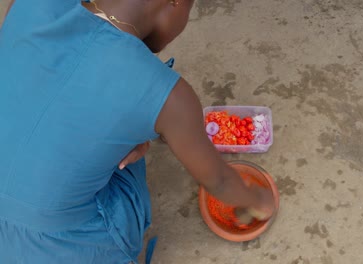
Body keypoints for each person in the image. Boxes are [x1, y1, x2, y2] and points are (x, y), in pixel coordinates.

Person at [0, 0, 275, 263]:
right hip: (58, 250)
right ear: (176, 2)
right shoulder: (168, 95)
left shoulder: (32, 3)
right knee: (130, 160)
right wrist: (258, 200)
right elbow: (222, 182)